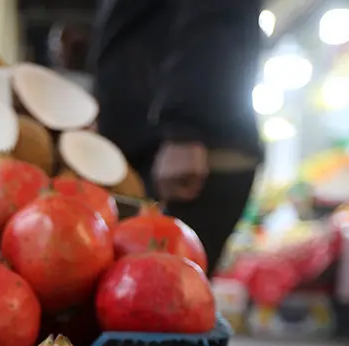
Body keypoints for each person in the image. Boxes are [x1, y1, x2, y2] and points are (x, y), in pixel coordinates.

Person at [91, 0, 264, 272]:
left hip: (188, 151)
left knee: (164, 288)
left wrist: (186, 127)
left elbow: (216, 12)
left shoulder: (184, 131)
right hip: (154, 147)